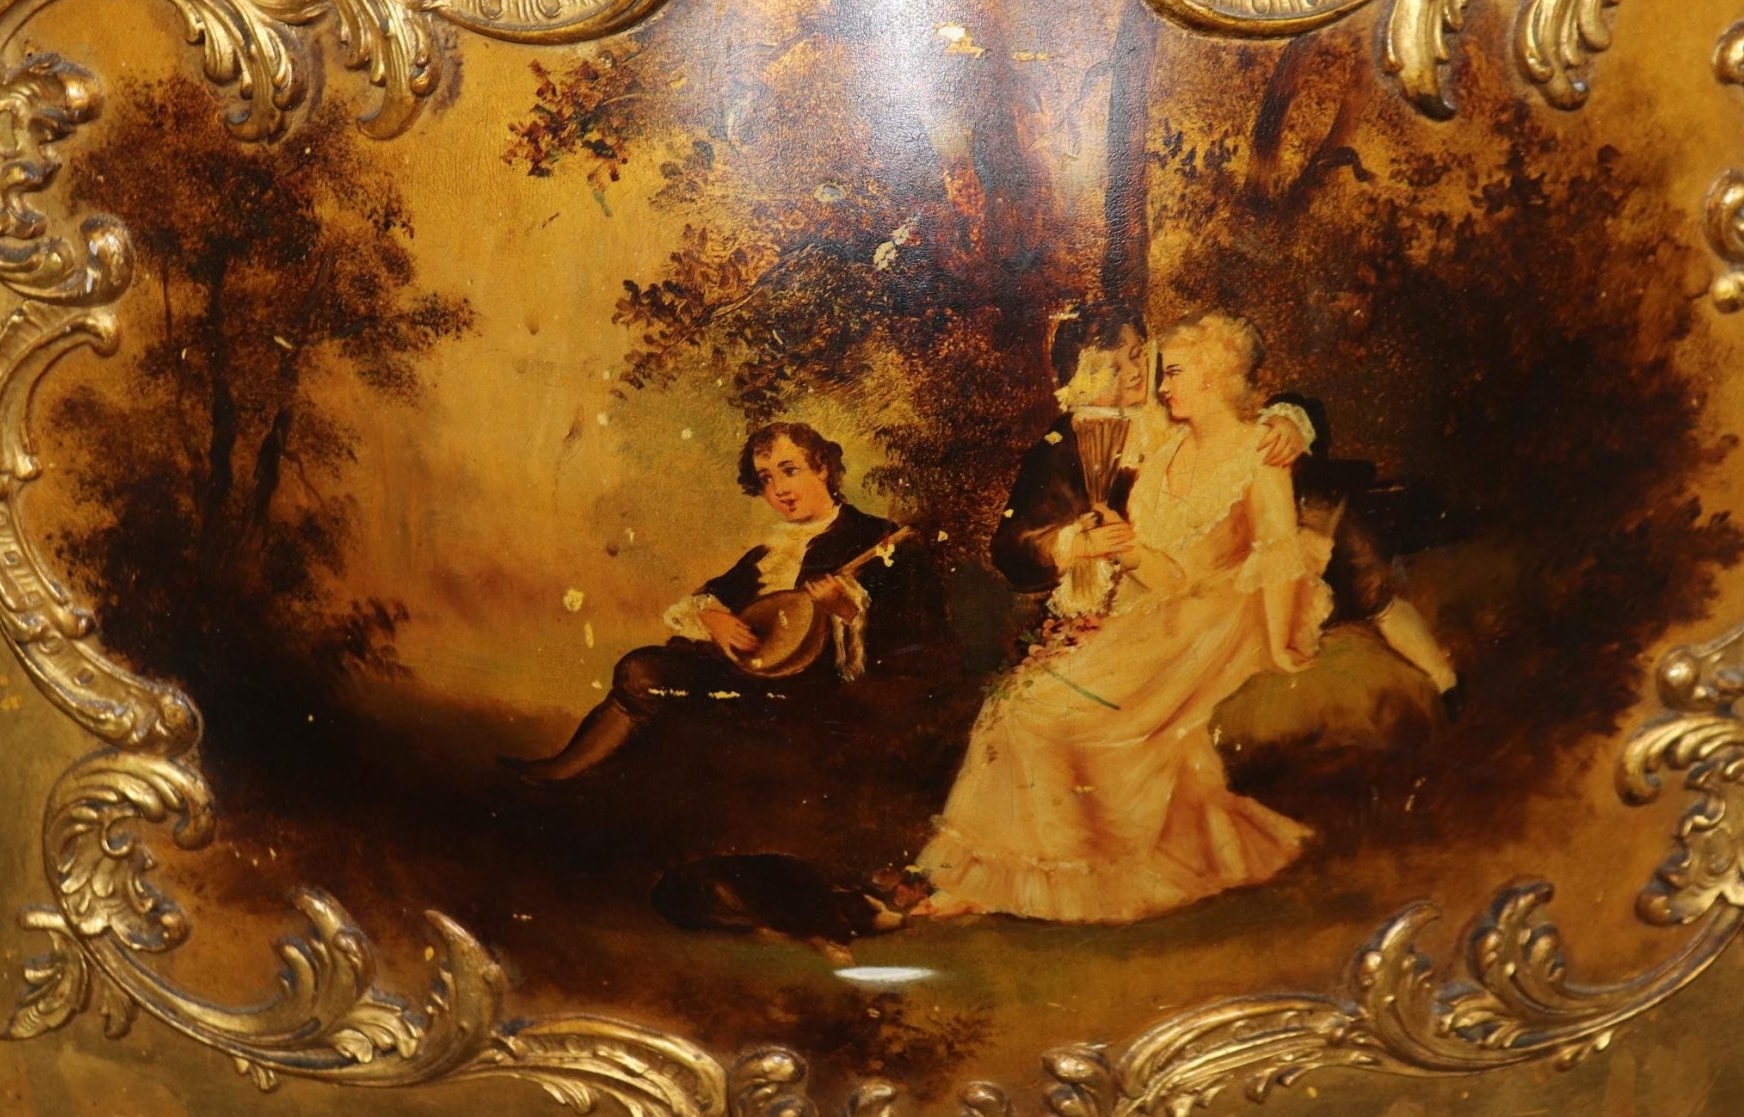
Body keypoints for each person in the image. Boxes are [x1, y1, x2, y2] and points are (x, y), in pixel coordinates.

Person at [915, 313, 1326, 923]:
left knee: (1061, 715)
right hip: (1145, 605)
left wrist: (1294, 417)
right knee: (1016, 707)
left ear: (1206, 374)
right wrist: (1081, 546)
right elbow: (1018, 547)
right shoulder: (1075, 444)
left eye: (1145, 359)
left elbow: (1268, 542)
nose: (1144, 376)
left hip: (1208, 616)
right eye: (1118, 362)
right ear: (1080, 374)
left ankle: (1077, 875)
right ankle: (999, 876)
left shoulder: (1224, 437)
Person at [512, 422, 943, 781]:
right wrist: (713, 617)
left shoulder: (876, 540)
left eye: (789, 470)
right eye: (766, 479)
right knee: (640, 668)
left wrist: (845, 610)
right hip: (747, 668)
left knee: (652, 680)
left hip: (808, 687)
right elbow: (713, 594)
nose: (779, 490)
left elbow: (909, 639)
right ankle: (566, 771)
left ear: (823, 468)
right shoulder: (770, 550)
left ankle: (567, 776)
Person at [992, 307, 1313, 622]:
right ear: (1080, 378)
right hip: (1101, 606)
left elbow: (1234, 425)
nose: (1135, 373)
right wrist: (1074, 545)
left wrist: (1286, 418)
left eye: (1136, 356)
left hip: (1185, 588)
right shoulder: (1063, 443)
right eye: (1113, 369)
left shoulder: (1169, 411)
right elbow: (1011, 547)